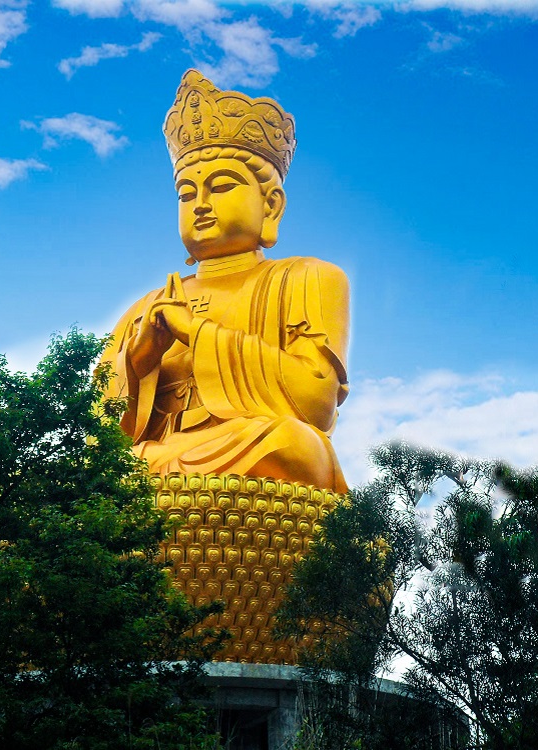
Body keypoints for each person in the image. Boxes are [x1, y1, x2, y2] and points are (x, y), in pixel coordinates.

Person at [98, 70, 350, 493]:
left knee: (297, 447)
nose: (199, 205)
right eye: (186, 193)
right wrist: (139, 362)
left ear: (271, 205)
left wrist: (196, 333)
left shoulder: (307, 278)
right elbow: (95, 434)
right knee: (67, 472)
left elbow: (315, 402)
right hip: (152, 457)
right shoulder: (145, 308)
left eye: (221, 187)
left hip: (243, 448)